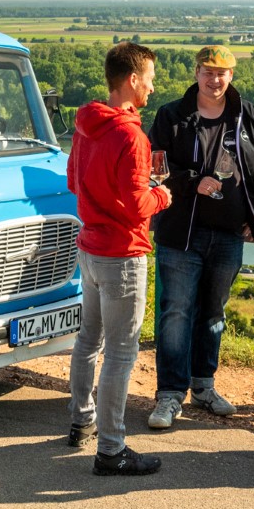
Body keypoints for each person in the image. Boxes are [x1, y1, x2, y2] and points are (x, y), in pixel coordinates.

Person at [146, 44, 254, 429]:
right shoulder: (171, 116)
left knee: (213, 314)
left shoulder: (248, 117)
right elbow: (155, 168)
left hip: (228, 236)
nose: (214, 78)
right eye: (207, 71)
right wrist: (193, 182)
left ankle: (203, 386)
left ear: (231, 76)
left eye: (221, 72)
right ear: (196, 73)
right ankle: (170, 395)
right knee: (175, 313)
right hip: (180, 236)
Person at [67, 42, 172, 476]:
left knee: (88, 340)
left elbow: (74, 180)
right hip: (122, 255)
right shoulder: (131, 135)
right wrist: (162, 195)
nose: (152, 84)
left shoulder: (86, 125)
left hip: (89, 248)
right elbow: (135, 205)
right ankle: (111, 449)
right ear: (132, 79)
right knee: (121, 354)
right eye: (148, 76)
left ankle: (81, 421)